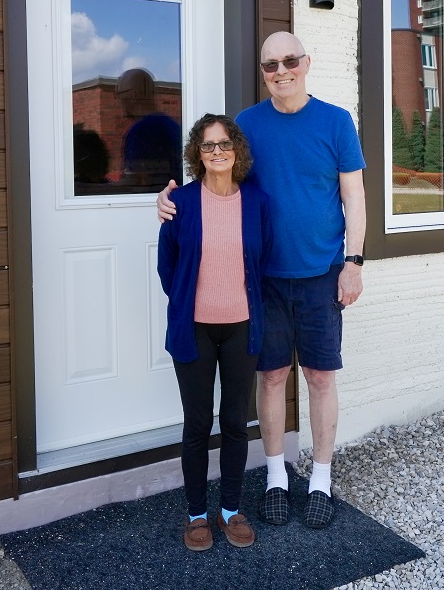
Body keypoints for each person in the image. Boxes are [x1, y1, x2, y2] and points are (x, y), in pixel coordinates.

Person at [158, 32, 366, 530]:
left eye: (289, 60)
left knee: (319, 377)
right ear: (264, 71)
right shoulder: (247, 125)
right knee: (271, 377)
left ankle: (320, 481)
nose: (281, 70)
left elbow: (354, 196)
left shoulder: (336, 122)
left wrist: (354, 260)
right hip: (262, 283)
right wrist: (170, 200)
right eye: (270, 64)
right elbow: (220, 181)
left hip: (321, 275)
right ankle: (276, 478)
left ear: (306, 63)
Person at [157, 113, 273, 552]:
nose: (218, 151)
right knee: (198, 425)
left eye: (225, 144)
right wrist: (192, 300)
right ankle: (196, 515)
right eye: (208, 145)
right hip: (195, 329)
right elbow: (168, 267)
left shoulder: (257, 201)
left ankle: (229, 509)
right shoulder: (181, 202)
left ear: (237, 150)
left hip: (242, 326)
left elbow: (262, 260)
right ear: (197, 154)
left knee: (235, 423)